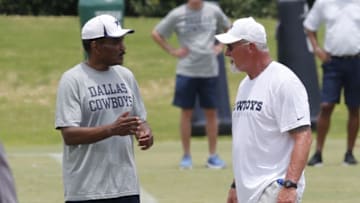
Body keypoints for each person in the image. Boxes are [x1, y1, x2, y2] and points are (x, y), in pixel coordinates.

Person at [55, 14, 154, 203]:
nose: (123, 48)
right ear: (96, 46)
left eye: (122, 41)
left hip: (126, 187)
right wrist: (111, 129)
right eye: (116, 42)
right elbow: (69, 134)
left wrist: (145, 132)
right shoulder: (73, 80)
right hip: (87, 191)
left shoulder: (126, 76)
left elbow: (139, 119)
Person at [215, 17, 313, 203]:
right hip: (248, 191)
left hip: (274, 187)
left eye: (231, 47)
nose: (227, 53)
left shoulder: (284, 82)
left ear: (250, 47)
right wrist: (236, 185)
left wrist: (290, 185)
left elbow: (303, 137)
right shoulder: (245, 85)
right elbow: (248, 141)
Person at [151, 0, 231, 169]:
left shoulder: (214, 10)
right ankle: (186, 157)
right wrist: (173, 51)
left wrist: (221, 46)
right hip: (186, 71)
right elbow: (157, 34)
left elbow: (229, 27)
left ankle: (213, 156)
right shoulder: (177, 14)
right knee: (186, 113)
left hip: (209, 71)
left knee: (211, 113)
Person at [304, 0, 360, 166]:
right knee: (326, 105)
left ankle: (349, 153)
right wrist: (316, 49)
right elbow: (309, 26)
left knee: (354, 107)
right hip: (333, 63)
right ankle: (318, 153)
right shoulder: (324, 3)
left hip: (356, 61)